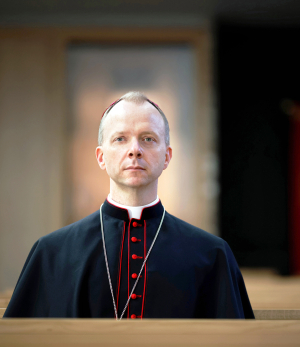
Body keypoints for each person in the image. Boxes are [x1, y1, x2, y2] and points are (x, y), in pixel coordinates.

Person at [4, 91, 254, 319]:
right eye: (121, 139)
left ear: (167, 156)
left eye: (147, 139)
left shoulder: (212, 254)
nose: (135, 150)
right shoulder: (51, 253)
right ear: (102, 157)